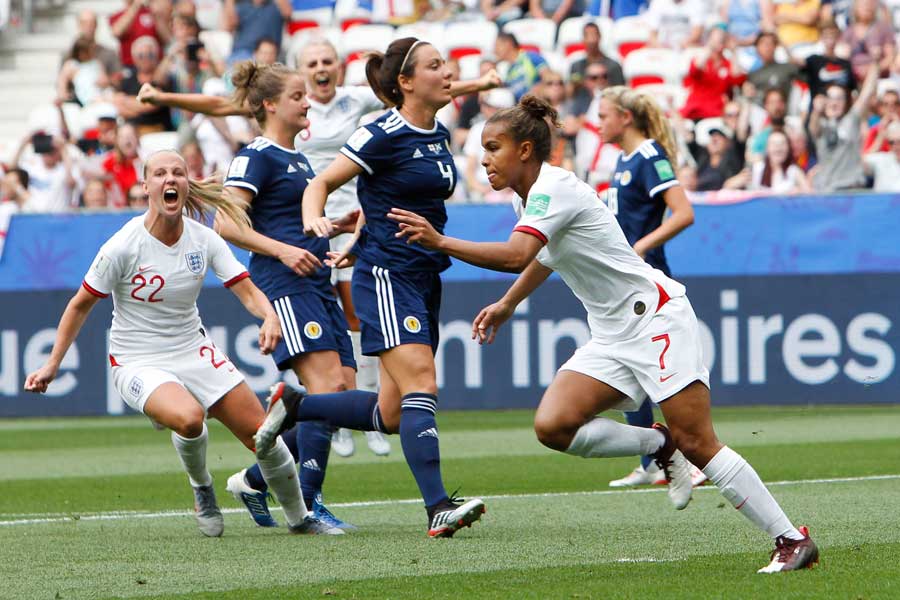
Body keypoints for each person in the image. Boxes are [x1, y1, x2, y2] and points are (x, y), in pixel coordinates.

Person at [387, 93, 819, 573]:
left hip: (654, 318)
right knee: (553, 426)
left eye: (493, 148)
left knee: (698, 440)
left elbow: (515, 255)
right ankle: (659, 444)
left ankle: (790, 538)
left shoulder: (556, 188)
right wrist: (508, 303)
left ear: (525, 151)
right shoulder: (524, 196)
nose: (483, 158)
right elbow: (543, 257)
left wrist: (440, 240)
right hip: (613, 333)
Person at [133, 41, 498, 530]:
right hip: (285, 281)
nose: (309, 104)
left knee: (352, 398)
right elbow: (228, 225)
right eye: (299, 95)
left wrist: (345, 226)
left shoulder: (300, 159)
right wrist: (284, 250)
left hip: (321, 279)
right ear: (269, 105)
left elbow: (303, 216)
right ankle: (309, 504)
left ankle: (258, 476)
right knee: (342, 385)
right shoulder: (257, 156)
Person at [23, 149, 335, 537]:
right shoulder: (122, 246)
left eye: (178, 173)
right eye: (159, 174)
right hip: (136, 359)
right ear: (145, 186)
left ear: (187, 185)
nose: (169, 180)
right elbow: (79, 305)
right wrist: (52, 364)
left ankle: (299, 519)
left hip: (192, 349)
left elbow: (248, 291)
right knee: (189, 418)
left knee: (262, 436)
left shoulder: (203, 240)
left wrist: (270, 316)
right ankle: (202, 488)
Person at [253, 37, 488, 538]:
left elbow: (376, 202)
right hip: (387, 276)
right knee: (422, 381)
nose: (448, 72)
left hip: (425, 276)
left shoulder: (439, 133)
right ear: (405, 82)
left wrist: (358, 233)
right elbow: (322, 183)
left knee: (391, 414)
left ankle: (296, 405)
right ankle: (438, 507)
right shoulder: (382, 132)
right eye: (436, 65)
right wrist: (315, 220)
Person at [809, 61, 878, 191]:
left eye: (839, 98)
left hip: (853, 189)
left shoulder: (851, 120)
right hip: (828, 191)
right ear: (824, 101)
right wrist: (816, 111)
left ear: (846, 102)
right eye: (830, 98)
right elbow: (813, 126)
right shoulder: (821, 124)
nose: (835, 103)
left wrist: (875, 64)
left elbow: (866, 94)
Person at [863, 120, 900, 192]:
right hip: (882, 202)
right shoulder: (881, 159)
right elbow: (860, 162)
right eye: (892, 142)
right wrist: (880, 137)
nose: (896, 146)